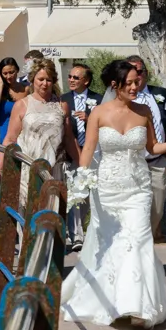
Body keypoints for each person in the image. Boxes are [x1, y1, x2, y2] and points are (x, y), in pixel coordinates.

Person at [60, 60, 166, 330]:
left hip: (138, 188)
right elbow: (88, 152)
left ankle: (137, 306)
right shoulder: (99, 114)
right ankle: (109, 300)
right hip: (107, 188)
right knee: (111, 244)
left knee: (139, 241)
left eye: (136, 81)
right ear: (115, 85)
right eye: (128, 83)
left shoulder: (144, 111)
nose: (134, 86)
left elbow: (152, 146)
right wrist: (81, 183)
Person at [0, 58, 78, 213]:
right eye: (41, 79)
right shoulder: (22, 105)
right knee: (28, 213)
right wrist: (0, 164)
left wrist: (81, 165)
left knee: (50, 215)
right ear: (33, 80)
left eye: (49, 80)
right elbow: (10, 138)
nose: (44, 83)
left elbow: (68, 138)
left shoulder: (62, 106)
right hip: (28, 166)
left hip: (53, 167)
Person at [125, 55, 166, 244]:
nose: (135, 75)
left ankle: (148, 243)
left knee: (156, 211)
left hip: (157, 162)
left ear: (145, 73)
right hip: (133, 164)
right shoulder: (123, 98)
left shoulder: (159, 93)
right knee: (136, 214)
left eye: (138, 71)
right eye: (130, 70)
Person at [60, 62, 102, 251]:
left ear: (86, 81)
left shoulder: (99, 100)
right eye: (70, 77)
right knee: (75, 194)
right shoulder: (63, 99)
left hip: (93, 152)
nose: (71, 80)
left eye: (76, 77)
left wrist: (90, 119)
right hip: (72, 153)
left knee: (89, 195)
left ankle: (91, 230)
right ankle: (76, 235)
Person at [0, 57, 27, 144]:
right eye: (5, 73)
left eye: (11, 72)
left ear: (17, 70)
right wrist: (1, 84)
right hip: (3, 134)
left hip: (22, 135)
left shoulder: (26, 89)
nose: (8, 76)